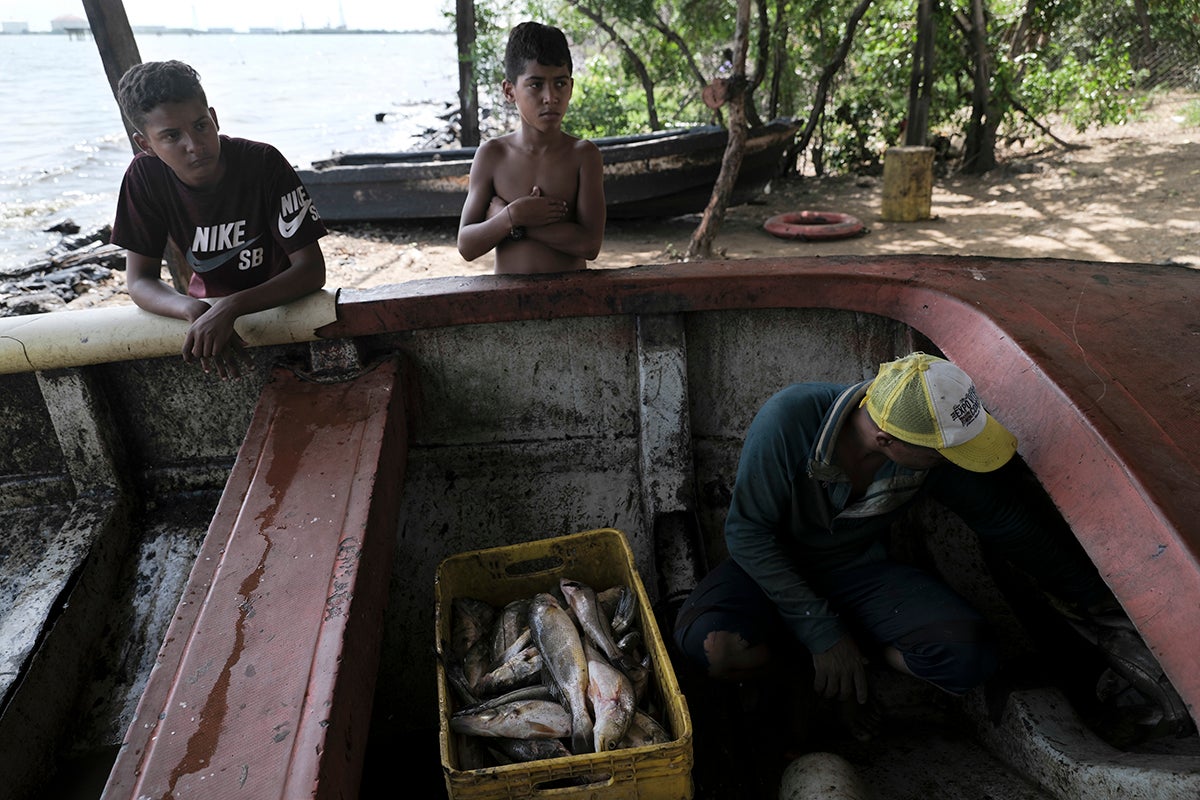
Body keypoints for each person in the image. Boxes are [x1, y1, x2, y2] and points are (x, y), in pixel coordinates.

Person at [673, 352, 1190, 734]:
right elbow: (746, 533)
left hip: (860, 572)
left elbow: (1004, 522)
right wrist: (821, 633)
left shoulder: (923, 452)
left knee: (968, 656)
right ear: (887, 441)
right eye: (945, 452)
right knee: (712, 648)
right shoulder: (789, 419)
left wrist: (1102, 599)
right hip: (770, 571)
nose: (954, 460)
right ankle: (815, 669)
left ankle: (850, 661)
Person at [110, 60, 327, 379]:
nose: (194, 145)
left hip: (285, 304)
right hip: (207, 309)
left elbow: (311, 270)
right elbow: (140, 281)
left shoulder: (262, 163)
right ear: (146, 144)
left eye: (200, 125)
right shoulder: (145, 177)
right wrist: (192, 309)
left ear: (214, 118)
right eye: (171, 136)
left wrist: (231, 307)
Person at [457, 21, 605, 274]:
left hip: (572, 302)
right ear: (509, 91)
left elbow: (590, 245)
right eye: (536, 85)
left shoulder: (583, 156)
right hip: (507, 305)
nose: (550, 97)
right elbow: (467, 245)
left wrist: (515, 220)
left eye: (560, 83)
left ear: (571, 87)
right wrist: (511, 216)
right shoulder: (492, 155)